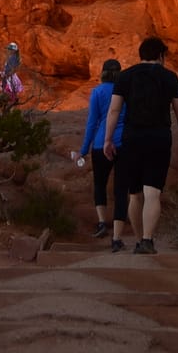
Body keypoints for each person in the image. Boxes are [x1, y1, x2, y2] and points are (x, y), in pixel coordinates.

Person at [102, 35, 178, 254]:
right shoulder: (170, 78)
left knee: (134, 194)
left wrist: (107, 139)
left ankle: (138, 239)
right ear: (161, 56)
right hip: (159, 137)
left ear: (141, 55)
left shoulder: (125, 77)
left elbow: (114, 110)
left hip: (132, 138)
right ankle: (147, 240)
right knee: (152, 193)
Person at [77, 58, 128, 238]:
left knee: (100, 184)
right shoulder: (126, 91)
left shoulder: (97, 92)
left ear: (103, 73)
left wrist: (84, 149)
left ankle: (101, 222)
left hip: (100, 144)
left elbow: (92, 123)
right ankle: (118, 235)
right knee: (121, 189)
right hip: (123, 143)